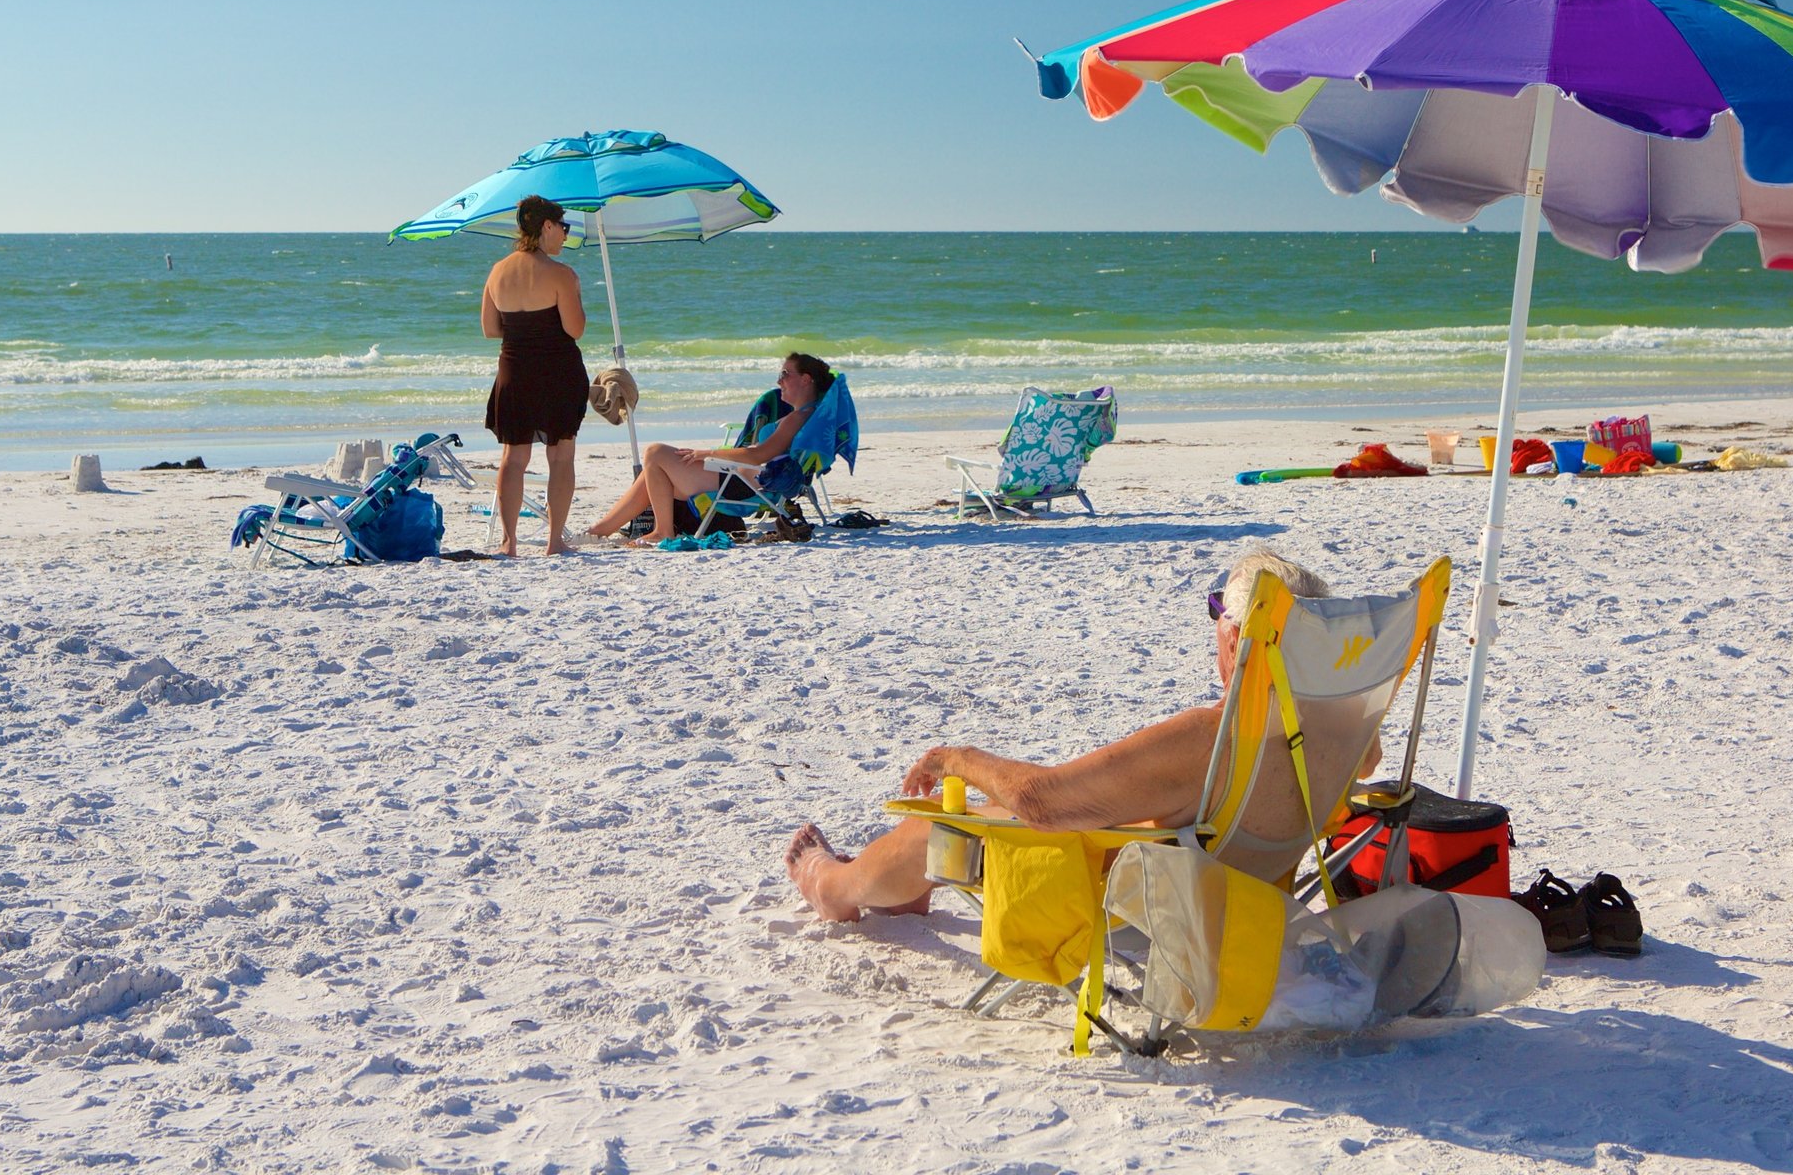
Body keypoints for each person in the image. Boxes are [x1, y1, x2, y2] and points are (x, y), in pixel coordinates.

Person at [784, 549, 1373, 922]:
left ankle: (832, 885)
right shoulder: (1347, 730)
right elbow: (1370, 763)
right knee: (988, 809)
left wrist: (958, 757)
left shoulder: (1213, 737)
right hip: (1248, 879)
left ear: (1236, 636)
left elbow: (1045, 801)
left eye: (1217, 608)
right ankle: (909, 887)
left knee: (942, 824)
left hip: (1145, 892)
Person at [584, 352, 836, 547]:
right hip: (741, 481)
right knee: (654, 472)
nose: (779, 380)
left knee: (655, 453)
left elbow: (757, 455)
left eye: (785, 373)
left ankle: (661, 531)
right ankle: (599, 532)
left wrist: (708, 453)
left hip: (739, 486)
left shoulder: (798, 419)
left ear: (805, 380)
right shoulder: (807, 416)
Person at [482, 196, 589, 557]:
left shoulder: (497, 271)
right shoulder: (562, 274)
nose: (565, 235)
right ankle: (554, 541)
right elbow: (575, 329)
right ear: (547, 226)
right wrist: (575, 292)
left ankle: (509, 542)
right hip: (558, 372)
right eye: (564, 228)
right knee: (560, 457)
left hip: (514, 370)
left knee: (514, 457)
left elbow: (490, 328)